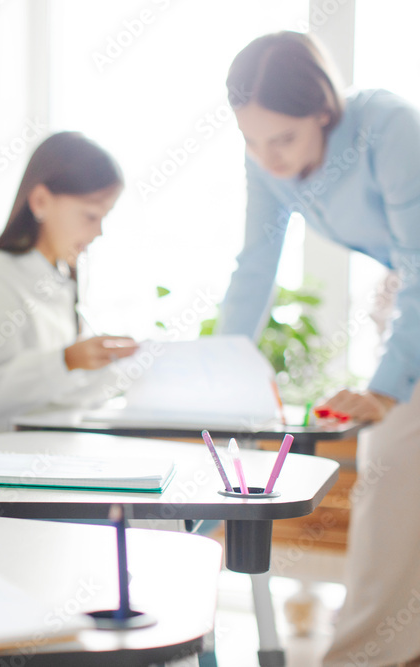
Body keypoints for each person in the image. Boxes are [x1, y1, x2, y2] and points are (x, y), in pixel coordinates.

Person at [219, 31, 420, 667]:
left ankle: (365, 656)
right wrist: (223, 370)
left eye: (284, 139)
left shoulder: (390, 129)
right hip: (407, 287)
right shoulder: (265, 161)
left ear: (326, 112)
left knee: (391, 448)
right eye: (252, 140)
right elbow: (256, 266)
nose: (268, 158)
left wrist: (386, 388)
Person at [0, 132, 139, 445]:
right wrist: (67, 360)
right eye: (90, 215)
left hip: (41, 452)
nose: (98, 231)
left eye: (104, 217)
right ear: (41, 200)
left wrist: (112, 367)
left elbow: (57, 393)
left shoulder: (60, 276)